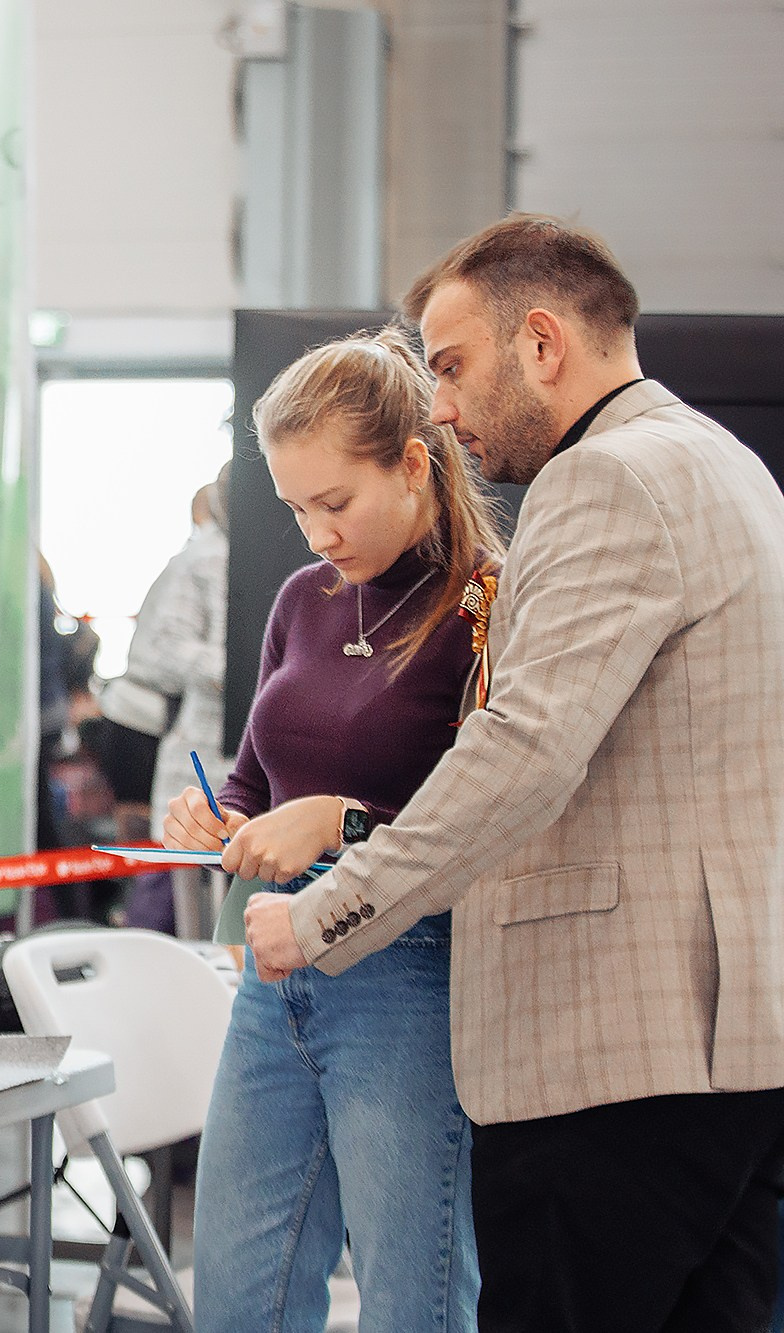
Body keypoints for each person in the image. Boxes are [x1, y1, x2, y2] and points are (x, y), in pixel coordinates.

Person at [234, 215, 784, 1332]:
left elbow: (519, 752)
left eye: (447, 366)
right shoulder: (725, 467)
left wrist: (330, 906)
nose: (435, 404)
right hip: (727, 1046)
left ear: (538, 344)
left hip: (610, 1049)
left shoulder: (606, 481)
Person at [160, 329, 499, 1331]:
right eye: (294, 507)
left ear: (409, 463)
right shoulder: (301, 599)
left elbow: (492, 810)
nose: (315, 534)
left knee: (412, 1298)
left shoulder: (484, 606)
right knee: (234, 1291)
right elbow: (257, 774)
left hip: (405, 972)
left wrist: (347, 823)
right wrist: (217, 814)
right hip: (273, 971)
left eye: (334, 503)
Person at [121, 471, 230, 936]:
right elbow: (161, 651)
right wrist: (247, 668)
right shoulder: (201, 561)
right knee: (167, 894)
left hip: (245, 758)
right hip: (200, 750)